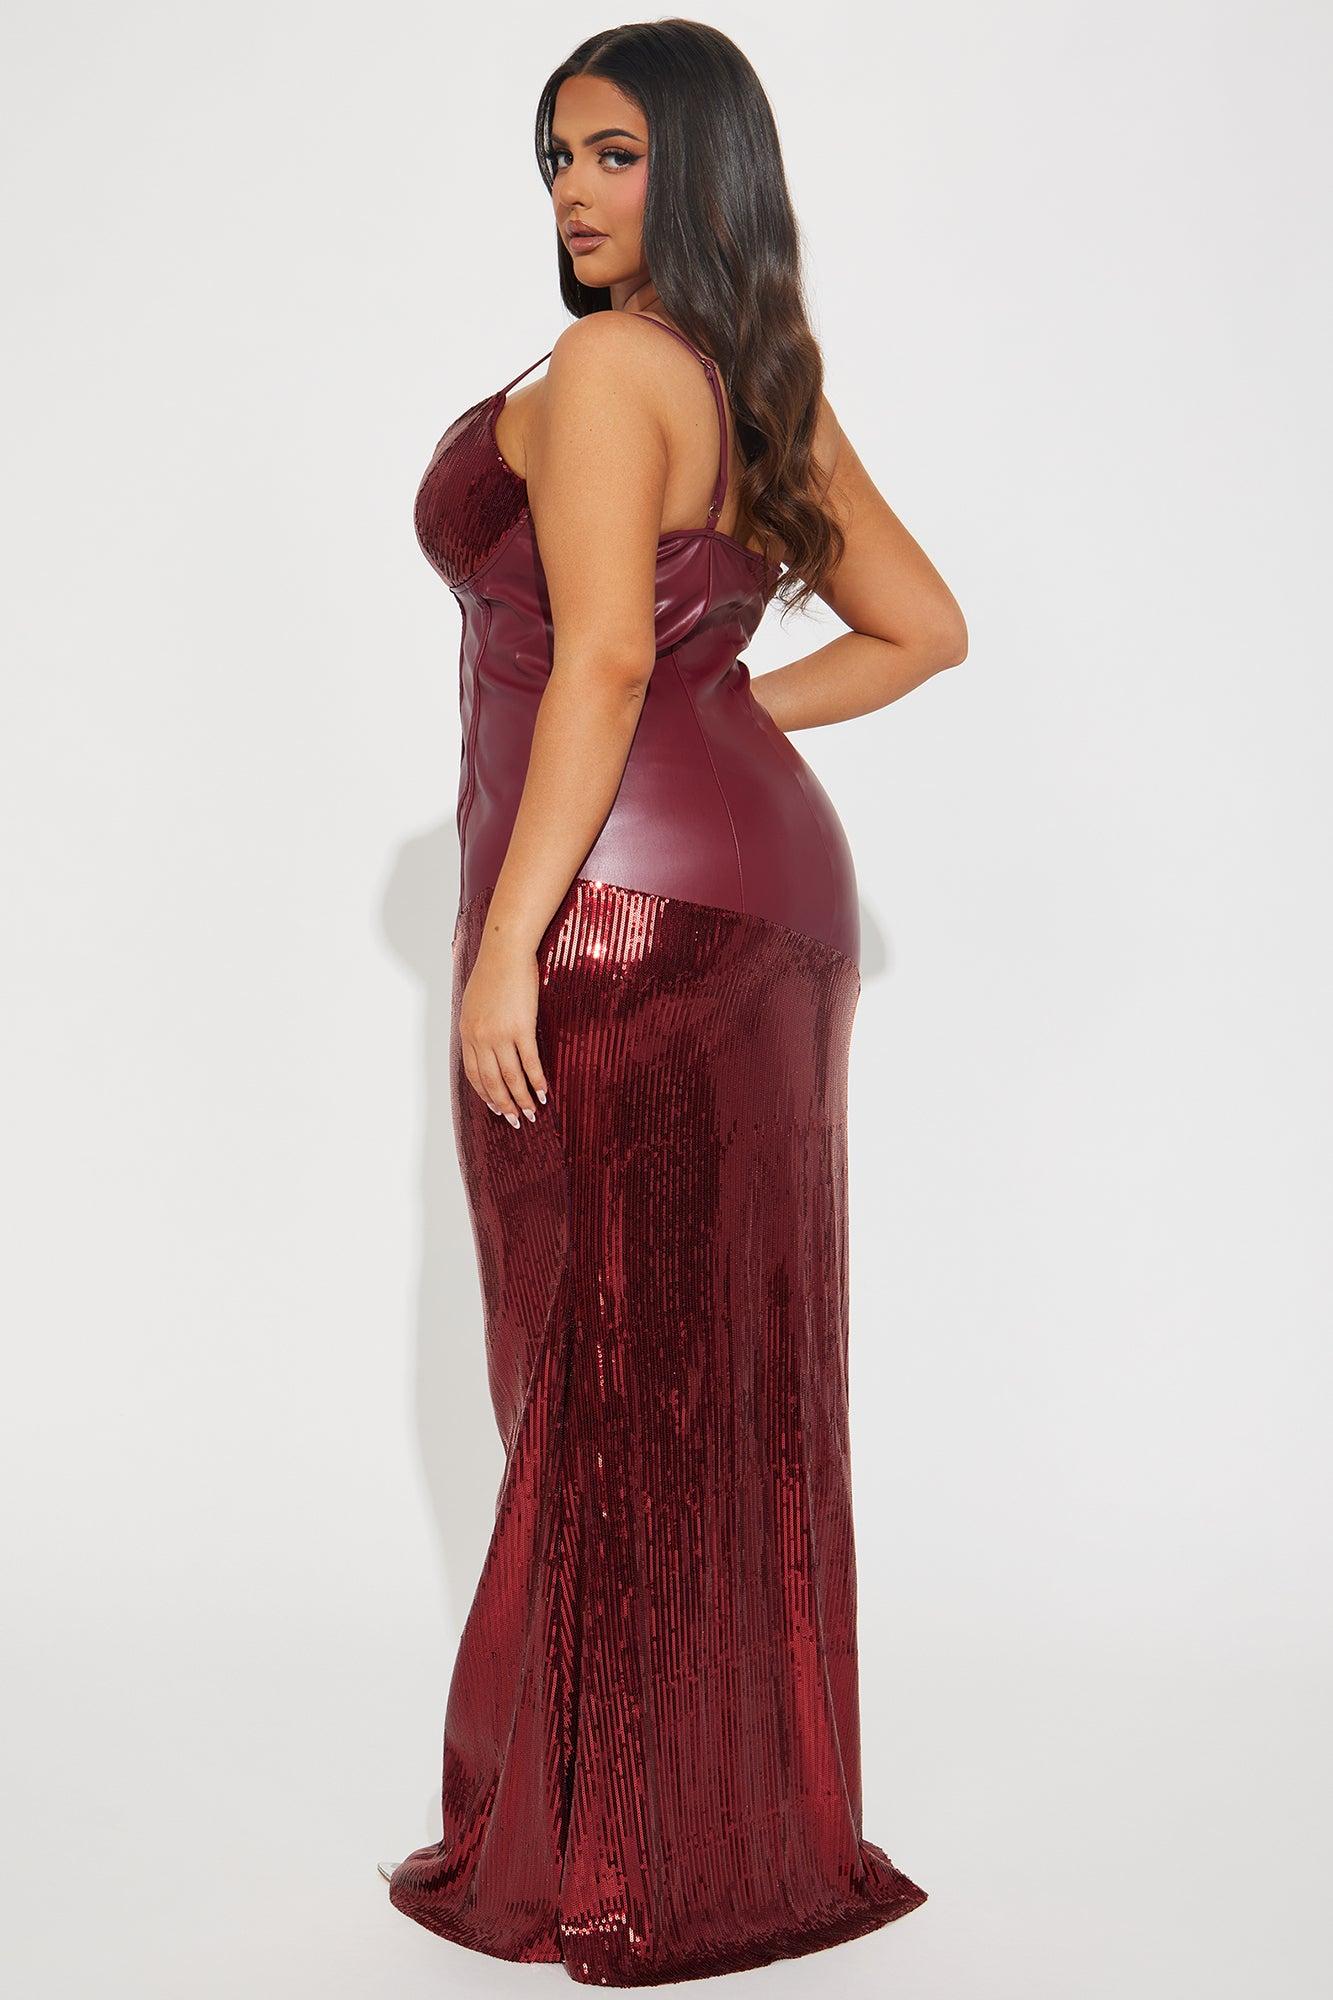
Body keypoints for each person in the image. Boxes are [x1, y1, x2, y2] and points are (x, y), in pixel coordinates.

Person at [382, 18, 966, 1988]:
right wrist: (734, 728)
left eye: (615, 153)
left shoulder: (611, 372)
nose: (571, 188)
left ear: (698, 168)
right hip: (769, 915)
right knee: (711, 1372)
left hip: (619, 920)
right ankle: (723, 1833)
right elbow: (918, 628)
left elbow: (608, 663)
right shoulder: (743, 380)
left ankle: (619, 1857)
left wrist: (501, 942)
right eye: (556, 154)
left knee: (598, 1365)